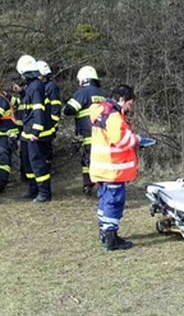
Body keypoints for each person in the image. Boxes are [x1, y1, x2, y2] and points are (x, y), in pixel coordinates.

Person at [90, 84, 143, 251]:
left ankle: (104, 232)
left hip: (101, 167)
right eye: (129, 103)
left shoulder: (100, 111)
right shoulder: (113, 116)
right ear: (121, 100)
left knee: (105, 201)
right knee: (114, 202)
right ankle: (111, 238)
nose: (129, 107)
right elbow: (119, 139)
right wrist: (136, 139)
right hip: (113, 168)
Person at [63, 66, 106, 196]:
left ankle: (91, 186)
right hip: (103, 135)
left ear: (83, 80)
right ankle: (96, 185)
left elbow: (69, 110)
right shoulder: (101, 94)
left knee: (88, 160)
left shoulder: (82, 93)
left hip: (88, 135)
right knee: (99, 161)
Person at [18, 55, 54, 203]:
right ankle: (33, 189)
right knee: (28, 163)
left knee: (37, 163)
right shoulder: (31, 87)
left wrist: (36, 131)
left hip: (35, 133)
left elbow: (38, 110)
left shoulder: (36, 87)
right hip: (28, 131)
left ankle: (44, 193)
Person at [37, 60, 62, 142]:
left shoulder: (51, 87)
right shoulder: (41, 86)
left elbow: (55, 107)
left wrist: (54, 125)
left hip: (49, 124)